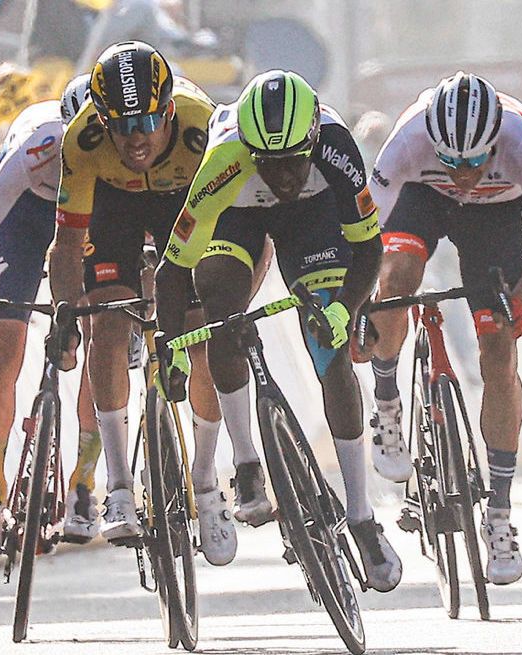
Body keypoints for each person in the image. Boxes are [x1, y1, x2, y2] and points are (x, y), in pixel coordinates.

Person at [154, 70, 402, 591]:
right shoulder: (224, 160)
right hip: (235, 217)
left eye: (293, 161)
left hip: (314, 219)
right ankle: (246, 462)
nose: (284, 176)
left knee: (330, 350)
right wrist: (168, 348)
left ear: (311, 140)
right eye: (271, 164)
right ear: (250, 150)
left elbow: (370, 249)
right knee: (222, 314)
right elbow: (173, 269)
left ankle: (360, 514)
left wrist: (344, 311)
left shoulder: (337, 148)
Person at [363, 71, 522, 585]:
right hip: (420, 200)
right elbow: (362, 231)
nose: (462, 173)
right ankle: (388, 403)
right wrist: (361, 306)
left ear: (495, 144)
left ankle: (499, 513)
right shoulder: (409, 138)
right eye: (451, 161)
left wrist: (518, 303)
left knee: (499, 351)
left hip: (496, 219)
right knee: (397, 274)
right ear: (432, 143)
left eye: (475, 161)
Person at [47, 41, 236, 566]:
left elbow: (240, 225)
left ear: (169, 110)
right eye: (121, 123)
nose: (134, 137)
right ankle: (120, 487)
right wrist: (67, 314)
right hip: (115, 206)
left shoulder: (204, 127)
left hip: (184, 199)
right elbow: (66, 244)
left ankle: (205, 482)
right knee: (106, 323)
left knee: (201, 338)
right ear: (101, 117)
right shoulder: (83, 140)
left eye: (148, 121)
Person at [0, 74, 103, 571]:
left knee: (107, 331)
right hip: (27, 214)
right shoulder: (36, 149)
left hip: (93, 215)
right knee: (5, 344)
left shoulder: (121, 153)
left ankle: (84, 478)